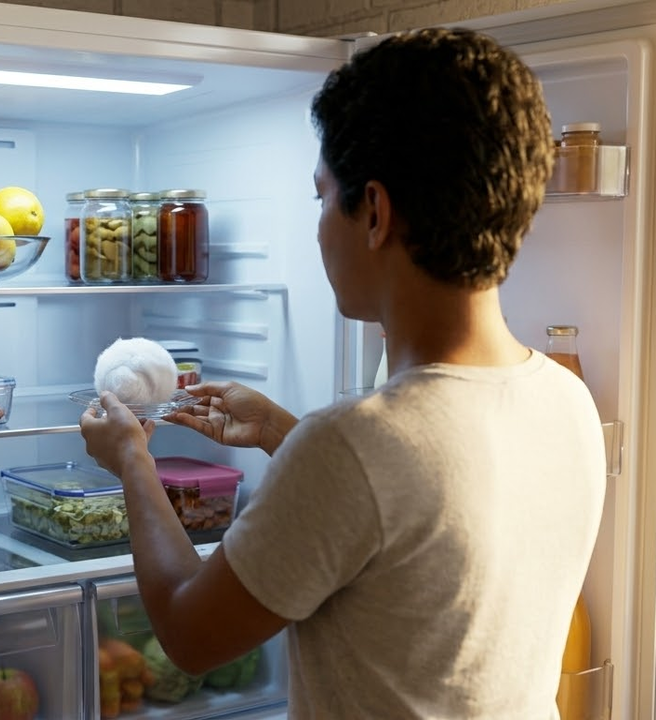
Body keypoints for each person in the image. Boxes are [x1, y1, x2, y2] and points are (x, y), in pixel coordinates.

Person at [78, 26, 607, 719]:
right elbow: (419, 523)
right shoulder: (566, 398)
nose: (320, 225)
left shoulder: (351, 446)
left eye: (322, 197)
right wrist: (276, 430)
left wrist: (133, 463)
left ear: (376, 213)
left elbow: (187, 631)